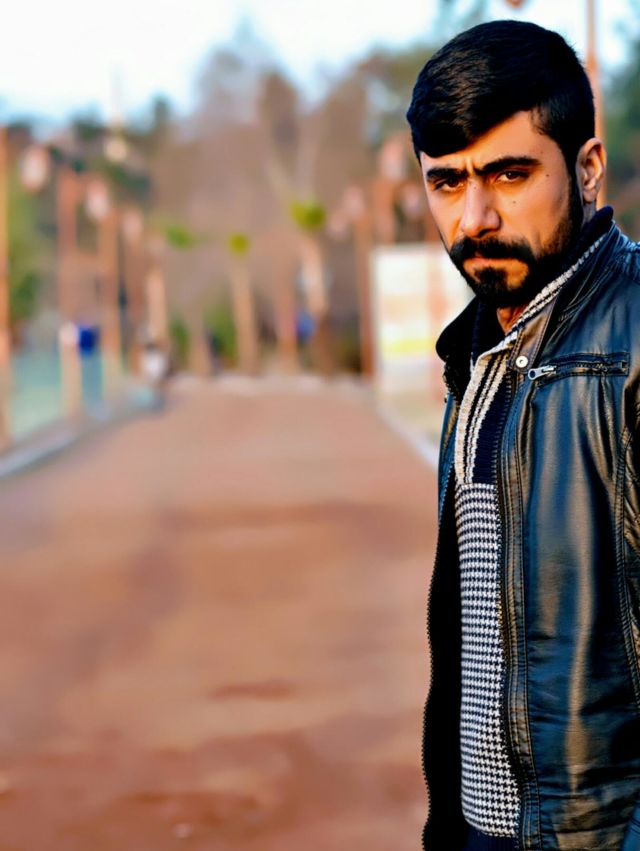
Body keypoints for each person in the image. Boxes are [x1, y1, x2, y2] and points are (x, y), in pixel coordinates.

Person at [405, 20, 640, 851]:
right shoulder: (474, 359)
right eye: (447, 182)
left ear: (587, 167)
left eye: (509, 175)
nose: (475, 217)